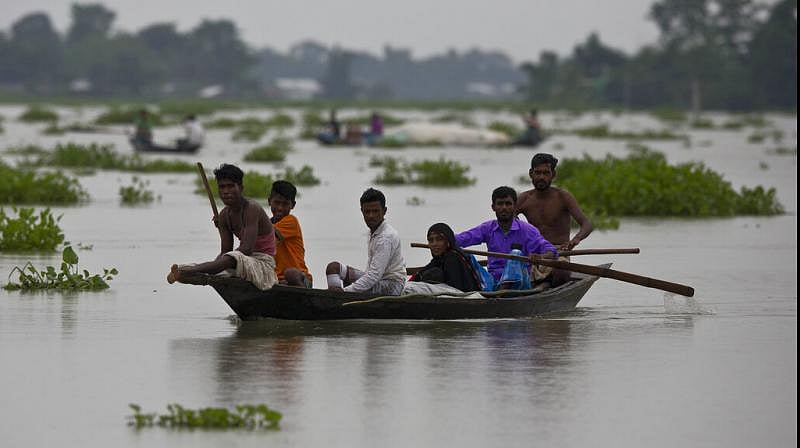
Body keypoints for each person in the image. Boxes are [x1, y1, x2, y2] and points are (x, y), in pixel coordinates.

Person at [167, 164, 278, 290]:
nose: (226, 191)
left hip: (263, 266)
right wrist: (218, 262)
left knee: (231, 258)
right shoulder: (224, 215)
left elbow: (246, 249)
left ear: (241, 188)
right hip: (242, 263)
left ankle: (191, 269)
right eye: (222, 187)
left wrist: (218, 263)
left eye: (231, 186)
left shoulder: (252, 208)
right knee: (219, 267)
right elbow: (225, 250)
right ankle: (183, 272)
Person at [456, 186, 558, 289]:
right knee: (468, 257)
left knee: (515, 253)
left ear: (514, 207)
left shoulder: (527, 230)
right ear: (493, 207)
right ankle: (496, 290)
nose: (504, 207)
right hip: (493, 281)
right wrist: (443, 237)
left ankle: (502, 289)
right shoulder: (487, 228)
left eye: (508, 204)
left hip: (520, 284)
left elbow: (551, 250)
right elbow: (462, 239)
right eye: (500, 204)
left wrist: (541, 257)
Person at [516, 153, 593, 286]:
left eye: (546, 173)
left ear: (553, 174)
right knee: (511, 270)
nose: (541, 177)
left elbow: (586, 224)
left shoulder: (563, 197)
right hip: (533, 255)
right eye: (537, 172)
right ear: (531, 174)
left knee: (561, 270)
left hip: (559, 253)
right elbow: (506, 224)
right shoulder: (524, 199)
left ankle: (548, 285)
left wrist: (576, 239)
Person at [325, 188, 406, 295]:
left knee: (341, 290)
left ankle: (336, 299)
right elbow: (371, 274)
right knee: (333, 268)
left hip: (392, 286)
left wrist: (345, 291)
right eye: (367, 211)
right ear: (362, 211)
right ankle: (334, 298)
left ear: (384, 211)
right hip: (378, 280)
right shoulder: (374, 231)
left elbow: (373, 276)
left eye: (375, 211)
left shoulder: (386, 237)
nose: (371, 216)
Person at [406, 223, 482, 293]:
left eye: (439, 239)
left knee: (435, 273)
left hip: (461, 301)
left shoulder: (453, 258)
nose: (434, 244)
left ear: (448, 241)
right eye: (431, 240)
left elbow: (456, 290)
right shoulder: (438, 259)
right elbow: (420, 274)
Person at [268, 180, 313, 288]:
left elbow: (266, 232)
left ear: (293, 205)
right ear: (269, 201)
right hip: (277, 280)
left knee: (291, 273)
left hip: (300, 278)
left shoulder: (291, 221)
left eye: (285, 204)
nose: (280, 208)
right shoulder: (268, 224)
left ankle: (303, 297)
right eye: (277, 203)